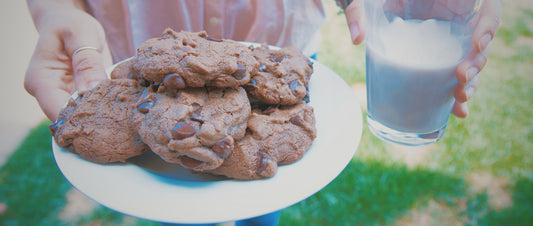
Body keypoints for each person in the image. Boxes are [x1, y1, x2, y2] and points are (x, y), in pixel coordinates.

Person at [23, 0, 501, 225]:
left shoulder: (277, 105)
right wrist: (55, 10)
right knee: (173, 210)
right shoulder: (153, 98)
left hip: (284, 73)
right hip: (144, 86)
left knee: (261, 203)